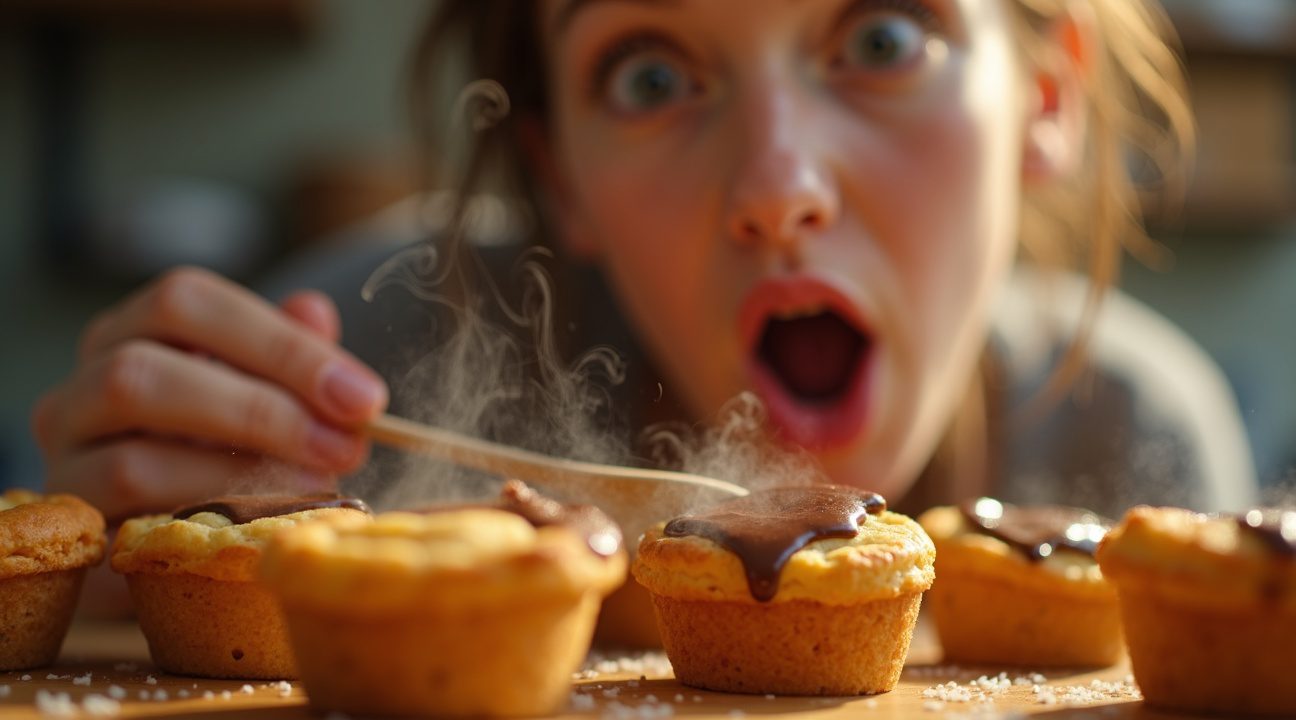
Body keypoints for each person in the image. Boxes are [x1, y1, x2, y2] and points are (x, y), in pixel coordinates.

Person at [32, 0, 1256, 533]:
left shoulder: (1134, 451)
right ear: (558, 169)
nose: (778, 193)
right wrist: (110, 578)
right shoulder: (374, 380)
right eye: (653, 76)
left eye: (883, 36)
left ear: (1047, 98)